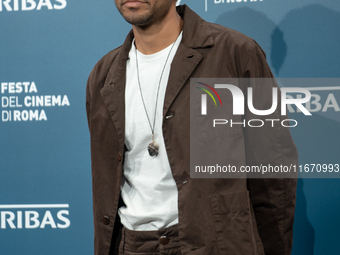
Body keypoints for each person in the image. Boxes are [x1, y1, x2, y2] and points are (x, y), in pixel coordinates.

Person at [86, 1, 298, 255]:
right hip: (130, 244)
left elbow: (273, 168)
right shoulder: (102, 75)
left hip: (215, 242)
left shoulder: (235, 53)